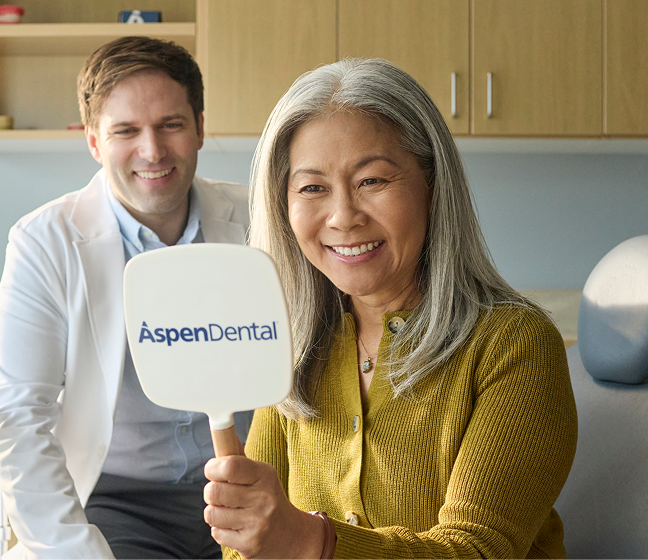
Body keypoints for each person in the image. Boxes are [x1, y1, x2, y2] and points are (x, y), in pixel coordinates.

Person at [203, 58, 578, 560]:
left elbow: (480, 552)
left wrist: (310, 542)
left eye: (372, 181)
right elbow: (249, 550)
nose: (343, 218)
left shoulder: (515, 345)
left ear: (432, 185)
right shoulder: (293, 346)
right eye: (312, 187)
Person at [0, 36, 252, 560]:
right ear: (93, 141)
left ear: (199, 126)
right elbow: (18, 413)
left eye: (170, 125)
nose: (152, 151)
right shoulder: (45, 241)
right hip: (119, 504)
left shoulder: (262, 218)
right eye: (126, 131)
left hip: (250, 483)